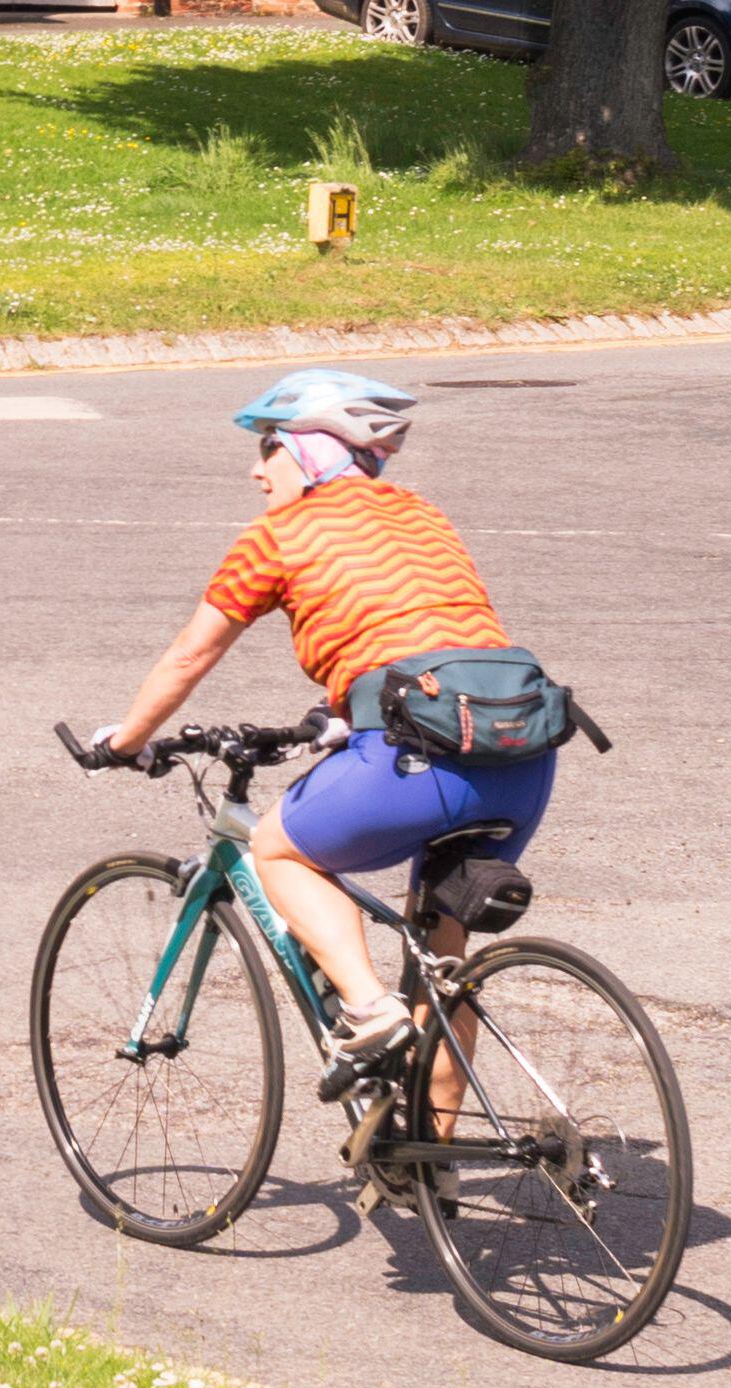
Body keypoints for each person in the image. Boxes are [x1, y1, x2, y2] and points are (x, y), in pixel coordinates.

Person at [94, 367, 553, 1077]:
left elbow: (189, 656)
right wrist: (339, 716)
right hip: (518, 755)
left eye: (269, 446)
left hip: (416, 763)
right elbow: (419, 634)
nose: (257, 470)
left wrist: (124, 742)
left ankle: (368, 1009)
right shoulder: (423, 514)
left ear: (312, 450)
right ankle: (428, 1168)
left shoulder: (277, 535)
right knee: (442, 970)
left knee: (278, 851)